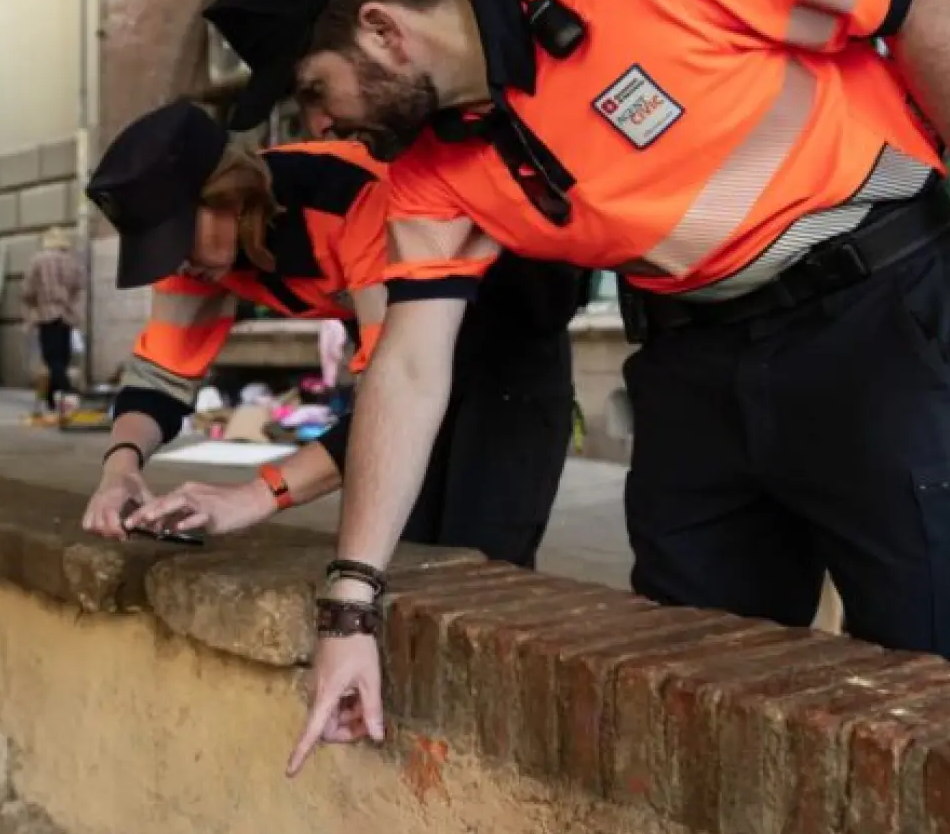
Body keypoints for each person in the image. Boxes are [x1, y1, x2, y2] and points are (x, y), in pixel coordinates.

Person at [199, 0, 950, 771]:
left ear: (386, 31)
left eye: (314, 90)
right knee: (696, 687)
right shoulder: (426, 175)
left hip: (877, 318)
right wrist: (351, 608)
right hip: (690, 358)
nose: (316, 125)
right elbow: (409, 372)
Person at [81, 100, 581, 568]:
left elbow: (397, 396)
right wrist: (118, 470)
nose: (178, 262)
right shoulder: (200, 256)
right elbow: (159, 380)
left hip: (505, 341)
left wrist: (255, 495)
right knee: (405, 555)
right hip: (410, 350)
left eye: (178, 241)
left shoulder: (349, 196)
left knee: (479, 560)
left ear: (228, 196)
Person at [22, 227, 86, 411]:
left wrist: (31, 308)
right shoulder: (71, 261)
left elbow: (28, 289)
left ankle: (68, 391)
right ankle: (52, 397)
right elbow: (79, 286)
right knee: (62, 357)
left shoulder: (38, 260)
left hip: (46, 314)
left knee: (51, 359)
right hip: (66, 315)